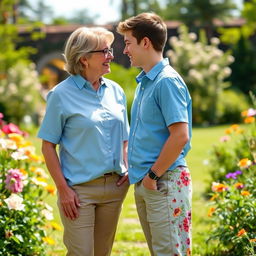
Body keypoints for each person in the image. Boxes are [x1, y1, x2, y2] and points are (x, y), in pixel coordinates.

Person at [37, 26, 130, 256]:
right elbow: (48, 145)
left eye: (110, 50)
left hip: (115, 188)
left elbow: (124, 137)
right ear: (84, 59)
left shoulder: (116, 91)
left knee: (102, 253)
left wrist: (127, 166)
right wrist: (63, 189)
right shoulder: (60, 95)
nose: (111, 56)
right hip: (78, 192)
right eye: (105, 51)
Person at [117, 12, 192, 256]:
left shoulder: (166, 82)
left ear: (145, 42)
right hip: (149, 182)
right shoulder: (146, 83)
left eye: (128, 42)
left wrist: (152, 176)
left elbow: (181, 136)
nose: (125, 50)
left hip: (163, 181)